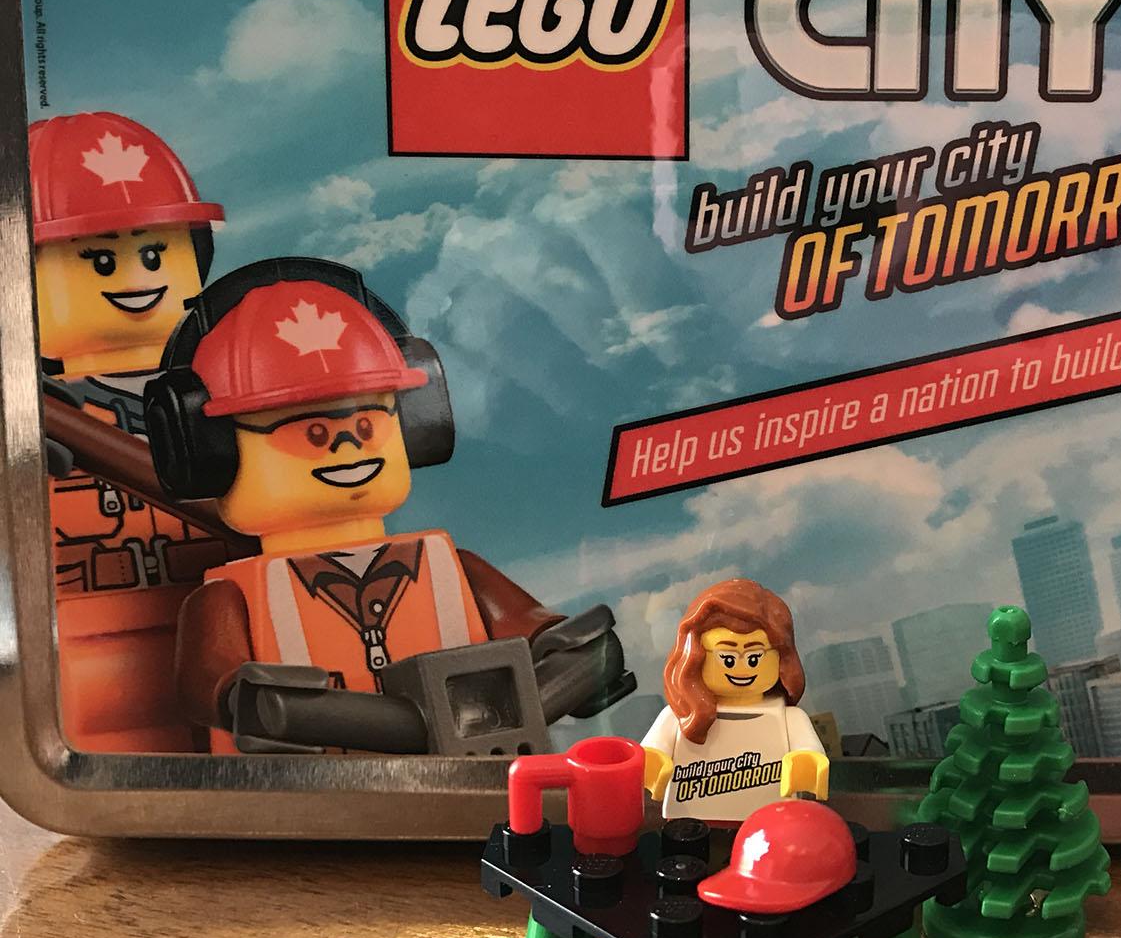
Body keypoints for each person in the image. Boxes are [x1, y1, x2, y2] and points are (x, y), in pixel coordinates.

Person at [146, 259, 568, 753]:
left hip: (481, 773)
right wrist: (245, 698)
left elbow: (528, 622)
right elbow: (207, 680)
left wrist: (560, 646)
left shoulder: (452, 569)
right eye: (313, 433)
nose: (348, 447)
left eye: (367, 426)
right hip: (307, 789)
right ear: (209, 452)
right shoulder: (228, 600)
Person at [31, 111, 226, 751]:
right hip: (85, 635)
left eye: (153, 252)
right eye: (98, 259)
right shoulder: (36, 411)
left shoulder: (235, 388)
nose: (139, 277)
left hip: (235, 626)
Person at [641, 578, 828, 822]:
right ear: (696, 655)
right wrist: (652, 761)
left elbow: (808, 748)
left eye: (754, 657)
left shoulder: (789, 718)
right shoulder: (683, 714)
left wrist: (806, 761)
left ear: (780, 656)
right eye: (728, 658)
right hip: (691, 825)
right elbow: (653, 749)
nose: (741, 668)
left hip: (769, 823)